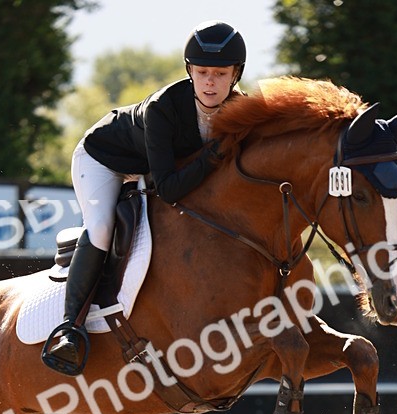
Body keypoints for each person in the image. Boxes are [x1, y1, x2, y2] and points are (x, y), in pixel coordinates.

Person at [42, 21, 246, 376]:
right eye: (201, 72)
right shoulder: (164, 107)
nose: (209, 82)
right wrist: (214, 155)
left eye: (219, 73)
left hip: (150, 168)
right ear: (190, 71)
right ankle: (69, 328)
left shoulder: (241, 110)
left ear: (235, 75)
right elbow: (168, 189)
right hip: (104, 159)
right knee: (103, 227)